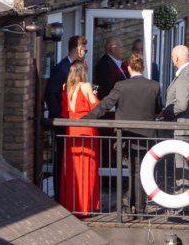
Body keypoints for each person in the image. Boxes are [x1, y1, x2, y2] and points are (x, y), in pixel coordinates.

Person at [86, 52, 163, 212]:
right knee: (141, 170)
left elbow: (105, 105)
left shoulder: (121, 86)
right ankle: (139, 206)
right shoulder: (154, 86)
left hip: (126, 135)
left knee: (131, 170)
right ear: (143, 67)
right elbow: (158, 109)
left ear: (128, 68)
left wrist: (85, 119)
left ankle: (130, 205)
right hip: (145, 135)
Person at [58, 60, 100, 215]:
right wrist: (95, 95)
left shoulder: (66, 88)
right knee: (87, 165)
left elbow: (65, 112)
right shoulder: (85, 86)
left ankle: (72, 204)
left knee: (72, 167)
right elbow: (95, 107)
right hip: (85, 129)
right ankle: (85, 206)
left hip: (72, 130)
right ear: (83, 72)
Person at [44, 34, 86, 118]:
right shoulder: (62, 68)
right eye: (84, 50)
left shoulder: (76, 66)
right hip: (62, 116)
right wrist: (59, 116)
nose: (85, 53)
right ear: (77, 50)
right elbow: (51, 93)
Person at [163, 44, 189, 122]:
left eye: (172, 57)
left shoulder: (185, 75)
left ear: (176, 58)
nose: (172, 59)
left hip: (181, 123)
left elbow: (181, 105)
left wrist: (166, 112)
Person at [94, 36, 127, 101]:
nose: (123, 49)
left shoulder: (119, 62)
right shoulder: (104, 65)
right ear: (113, 49)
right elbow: (107, 88)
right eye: (120, 47)